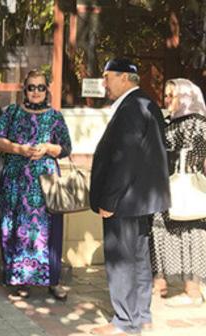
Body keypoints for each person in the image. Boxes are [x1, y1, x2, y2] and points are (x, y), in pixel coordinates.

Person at [89, 58, 170, 336]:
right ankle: (141, 316)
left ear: (124, 78)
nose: (104, 83)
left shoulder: (131, 108)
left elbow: (124, 159)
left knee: (121, 260)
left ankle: (124, 322)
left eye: (107, 77)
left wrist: (109, 200)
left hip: (124, 200)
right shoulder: (148, 103)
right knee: (138, 258)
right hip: (141, 199)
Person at [0, 70, 72, 300]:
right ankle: (21, 280)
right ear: (24, 90)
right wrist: (20, 149)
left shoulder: (55, 117)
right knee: (16, 229)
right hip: (15, 183)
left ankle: (53, 281)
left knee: (49, 232)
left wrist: (48, 148)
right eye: (31, 87)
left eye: (40, 87)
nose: (36, 91)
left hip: (45, 185)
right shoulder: (12, 113)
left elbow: (66, 148)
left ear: (47, 90)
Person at [150, 78, 206, 307]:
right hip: (168, 188)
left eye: (172, 95)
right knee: (160, 230)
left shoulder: (196, 124)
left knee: (189, 234)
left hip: (186, 188)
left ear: (185, 96)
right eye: (166, 95)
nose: (167, 100)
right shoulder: (168, 123)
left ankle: (192, 291)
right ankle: (159, 283)